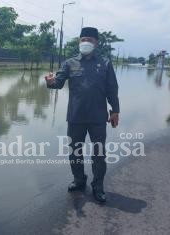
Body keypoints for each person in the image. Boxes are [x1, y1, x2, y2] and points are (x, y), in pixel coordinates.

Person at [45, 27, 120, 203]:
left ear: (96, 43)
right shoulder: (69, 63)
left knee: (99, 154)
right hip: (75, 117)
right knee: (75, 153)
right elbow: (59, 82)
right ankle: (79, 180)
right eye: (83, 39)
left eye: (90, 40)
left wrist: (115, 110)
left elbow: (112, 89)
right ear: (79, 42)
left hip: (98, 118)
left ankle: (98, 186)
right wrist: (50, 82)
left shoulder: (105, 63)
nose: (86, 42)